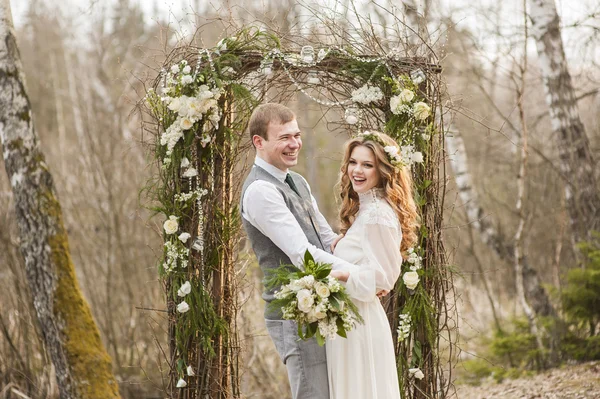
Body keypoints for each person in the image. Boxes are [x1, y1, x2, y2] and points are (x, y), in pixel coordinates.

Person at [240, 103, 359, 399]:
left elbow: (326, 239)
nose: (294, 144)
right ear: (259, 142)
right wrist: (360, 275)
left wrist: (366, 257)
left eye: (296, 135)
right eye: (284, 138)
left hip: (321, 306)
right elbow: (301, 253)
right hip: (294, 316)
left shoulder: (298, 181)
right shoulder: (260, 191)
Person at [327, 131, 419, 399]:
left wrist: (341, 274)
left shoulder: (378, 214)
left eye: (367, 165)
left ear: (384, 171)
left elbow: (383, 279)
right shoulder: (367, 210)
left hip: (361, 324)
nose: (357, 170)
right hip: (350, 320)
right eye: (353, 162)